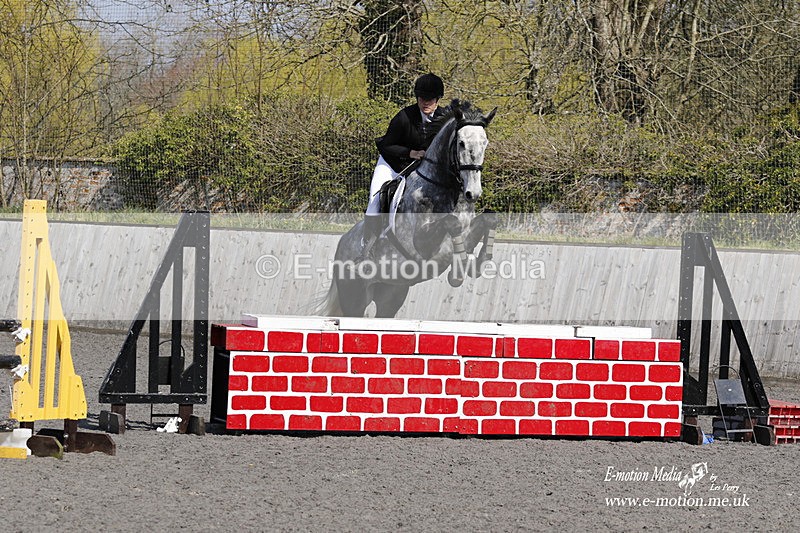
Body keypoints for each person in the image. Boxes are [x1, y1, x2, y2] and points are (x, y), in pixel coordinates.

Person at [359, 73, 446, 258]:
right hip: (392, 163)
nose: (426, 103)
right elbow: (386, 144)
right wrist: (410, 153)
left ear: (438, 99)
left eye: (430, 99)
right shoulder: (404, 117)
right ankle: (367, 247)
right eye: (422, 99)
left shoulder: (444, 119)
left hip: (420, 170)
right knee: (375, 199)